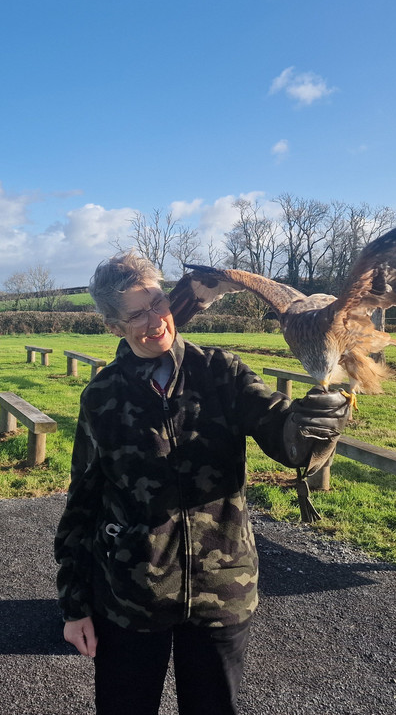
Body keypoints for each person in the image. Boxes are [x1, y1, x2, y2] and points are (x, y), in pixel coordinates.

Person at [54, 252, 350, 715]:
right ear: (114, 327)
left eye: (158, 303)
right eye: (136, 314)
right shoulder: (102, 397)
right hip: (132, 596)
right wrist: (74, 606)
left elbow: (287, 444)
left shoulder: (221, 372)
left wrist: (316, 424)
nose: (155, 321)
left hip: (224, 588)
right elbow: (83, 502)